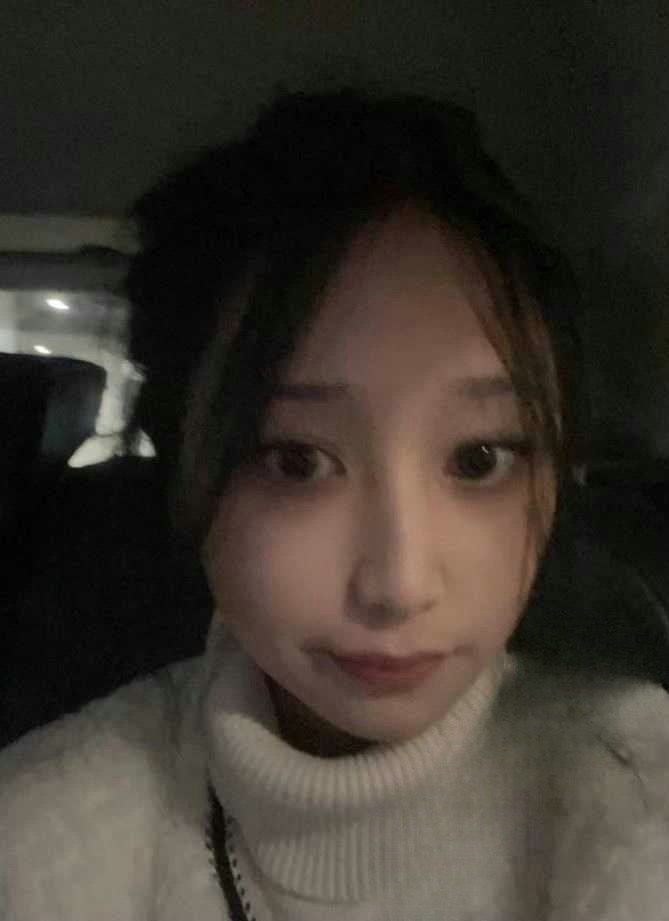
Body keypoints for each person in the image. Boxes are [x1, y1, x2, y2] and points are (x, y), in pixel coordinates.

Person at [1, 88, 668, 921]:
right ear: (184, 470)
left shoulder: (630, 799)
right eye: (296, 461)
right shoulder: (36, 845)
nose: (398, 585)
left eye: (479, 458)